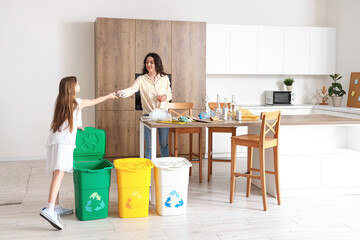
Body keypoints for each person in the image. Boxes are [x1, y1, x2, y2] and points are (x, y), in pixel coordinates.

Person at [40, 76, 117, 230]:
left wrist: (78, 126)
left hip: (55, 140)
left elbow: (67, 120)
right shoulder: (77, 102)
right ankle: (49, 209)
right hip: (64, 143)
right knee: (59, 173)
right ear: (72, 88)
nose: (78, 85)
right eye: (77, 84)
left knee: (57, 173)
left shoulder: (61, 102)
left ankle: (55, 207)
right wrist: (109, 96)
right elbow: (95, 101)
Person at [117, 53, 172, 159]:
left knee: (164, 144)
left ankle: (164, 168)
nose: (149, 64)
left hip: (163, 115)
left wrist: (164, 97)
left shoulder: (164, 78)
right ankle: (148, 171)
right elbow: (132, 89)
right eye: (147, 62)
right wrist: (122, 93)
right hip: (148, 115)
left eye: (152, 62)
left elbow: (169, 94)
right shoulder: (141, 79)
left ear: (157, 63)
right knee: (149, 146)